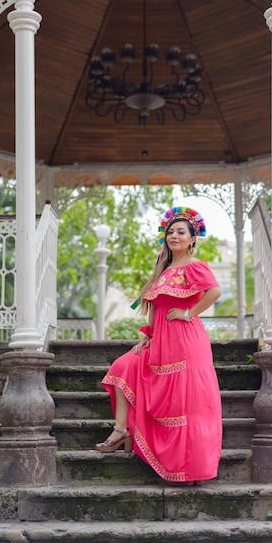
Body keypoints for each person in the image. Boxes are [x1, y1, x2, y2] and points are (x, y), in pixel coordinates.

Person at [96, 206, 223, 485]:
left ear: (192, 238)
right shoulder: (163, 268)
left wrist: (189, 312)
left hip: (186, 340)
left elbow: (215, 291)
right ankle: (121, 430)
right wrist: (148, 336)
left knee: (185, 403)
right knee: (122, 366)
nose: (173, 236)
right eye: (170, 232)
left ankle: (189, 468)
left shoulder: (195, 266)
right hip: (161, 339)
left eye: (181, 232)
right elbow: (153, 304)